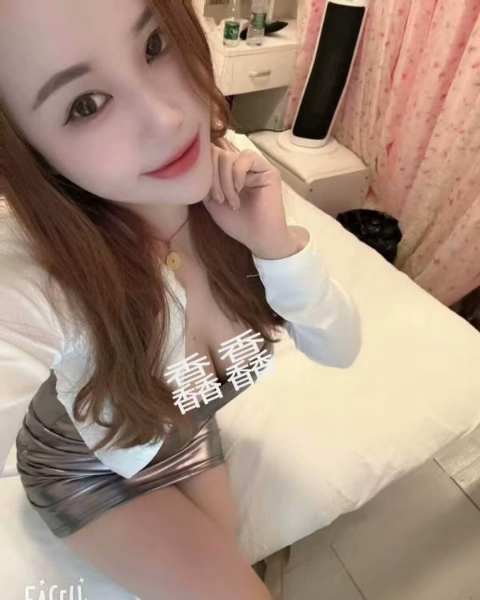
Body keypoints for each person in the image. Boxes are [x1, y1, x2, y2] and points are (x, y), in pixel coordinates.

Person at [0, 1, 362, 598]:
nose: (168, 117)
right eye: (85, 104)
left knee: (233, 564)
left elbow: (339, 349)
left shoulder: (237, 186)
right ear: (30, 153)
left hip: (185, 430)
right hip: (85, 467)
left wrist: (275, 247)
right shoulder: (41, 278)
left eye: (154, 45)